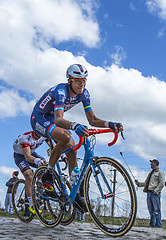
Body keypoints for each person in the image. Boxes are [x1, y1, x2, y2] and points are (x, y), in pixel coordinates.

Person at [30, 64, 123, 213]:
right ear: (70, 81)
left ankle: (75, 190)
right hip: (39, 118)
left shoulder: (84, 94)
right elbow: (59, 119)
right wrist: (74, 126)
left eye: (84, 80)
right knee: (66, 136)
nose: (82, 84)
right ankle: (47, 175)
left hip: (53, 120)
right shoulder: (61, 91)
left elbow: (92, 119)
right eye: (78, 81)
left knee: (72, 145)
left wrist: (110, 124)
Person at [13, 130, 49, 214]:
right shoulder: (25, 138)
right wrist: (37, 161)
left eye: (40, 137)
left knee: (45, 165)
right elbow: (28, 157)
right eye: (37, 136)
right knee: (29, 175)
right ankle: (31, 204)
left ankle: (38, 185)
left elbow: (53, 145)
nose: (39, 138)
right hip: (21, 155)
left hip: (32, 152)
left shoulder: (44, 135)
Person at [135, 159, 165, 228]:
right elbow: (146, 183)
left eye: (151, 163)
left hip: (155, 194)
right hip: (149, 193)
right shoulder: (151, 173)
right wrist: (139, 184)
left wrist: (156, 191)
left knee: (156, 210)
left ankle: (158, 225)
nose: (150, 164)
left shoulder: (160, 172)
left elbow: (162, 183)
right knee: (151, 210)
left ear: (155, 163)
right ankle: (152, 225)